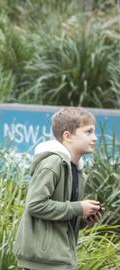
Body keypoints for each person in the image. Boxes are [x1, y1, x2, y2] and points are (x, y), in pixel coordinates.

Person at [13, 107, 103, 270]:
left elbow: (61, 214)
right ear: (67, 136)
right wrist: (78, 207)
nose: (95, 138)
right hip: (44, 261)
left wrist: (83, 219)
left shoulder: (77, 170)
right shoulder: (53, 163)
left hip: (61, 259)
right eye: (88, 132)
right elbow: (35, 205)